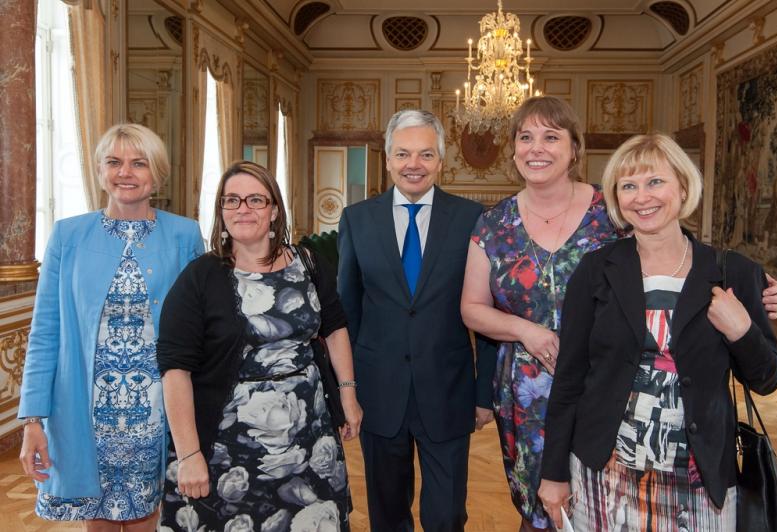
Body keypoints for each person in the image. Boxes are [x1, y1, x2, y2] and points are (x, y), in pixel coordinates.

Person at [459, 96, 777, 531]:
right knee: (542, 514)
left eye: (551, 137)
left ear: (575, 148)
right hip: (558, 414)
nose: (641, 197)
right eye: (526, 137)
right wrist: (526, 333)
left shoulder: (626, 218)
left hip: (681, 451)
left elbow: (670, 245)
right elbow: (476, 309)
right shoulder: (510, 231)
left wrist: (748, 313)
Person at [538, 132, 777, 530]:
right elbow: (569, 381)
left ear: (683, 186)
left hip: (698, 479)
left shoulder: (732, 271)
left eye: (655, 182)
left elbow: (768, 378)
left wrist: (743, 331)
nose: (642, 196)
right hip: (605, 474)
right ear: (617, 198)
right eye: (628, 186)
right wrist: (553, 474)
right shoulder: (596, 271)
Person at [18, 123, 204, 530]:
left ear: (157, 173)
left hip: (154, 409)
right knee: (95, 519)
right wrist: (32, 419)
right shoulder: (68, 235)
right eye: (114, 162)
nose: (126, 172)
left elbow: (198, 329)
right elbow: (45, 331)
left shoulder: (184, 234)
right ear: (99, 171)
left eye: (139, 163)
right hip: (83, 408)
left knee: (146, 517)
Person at [157, 160, 362, 531]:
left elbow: (335, 329)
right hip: (229, 448)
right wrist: (189, 454)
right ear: (221, 211)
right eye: (231, 200)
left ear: (274, 210)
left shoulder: (309, 263)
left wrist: (348, 395)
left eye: (255, 199)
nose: (243, 209)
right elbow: (175, 370)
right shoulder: (200, 278)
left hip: (309, 437)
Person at [337, 109, 495, 531]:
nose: (414, 164)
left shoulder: (472, 218)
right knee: (387, 516)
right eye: (403, 153)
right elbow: (346, 313)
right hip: (378, 391)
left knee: (446, 516)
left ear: (441, 161)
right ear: (387, 159)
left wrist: (484, 394)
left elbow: (489, 312)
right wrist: (345, 390)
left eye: (426, 154)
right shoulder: (357, 219)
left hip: (448, 390)